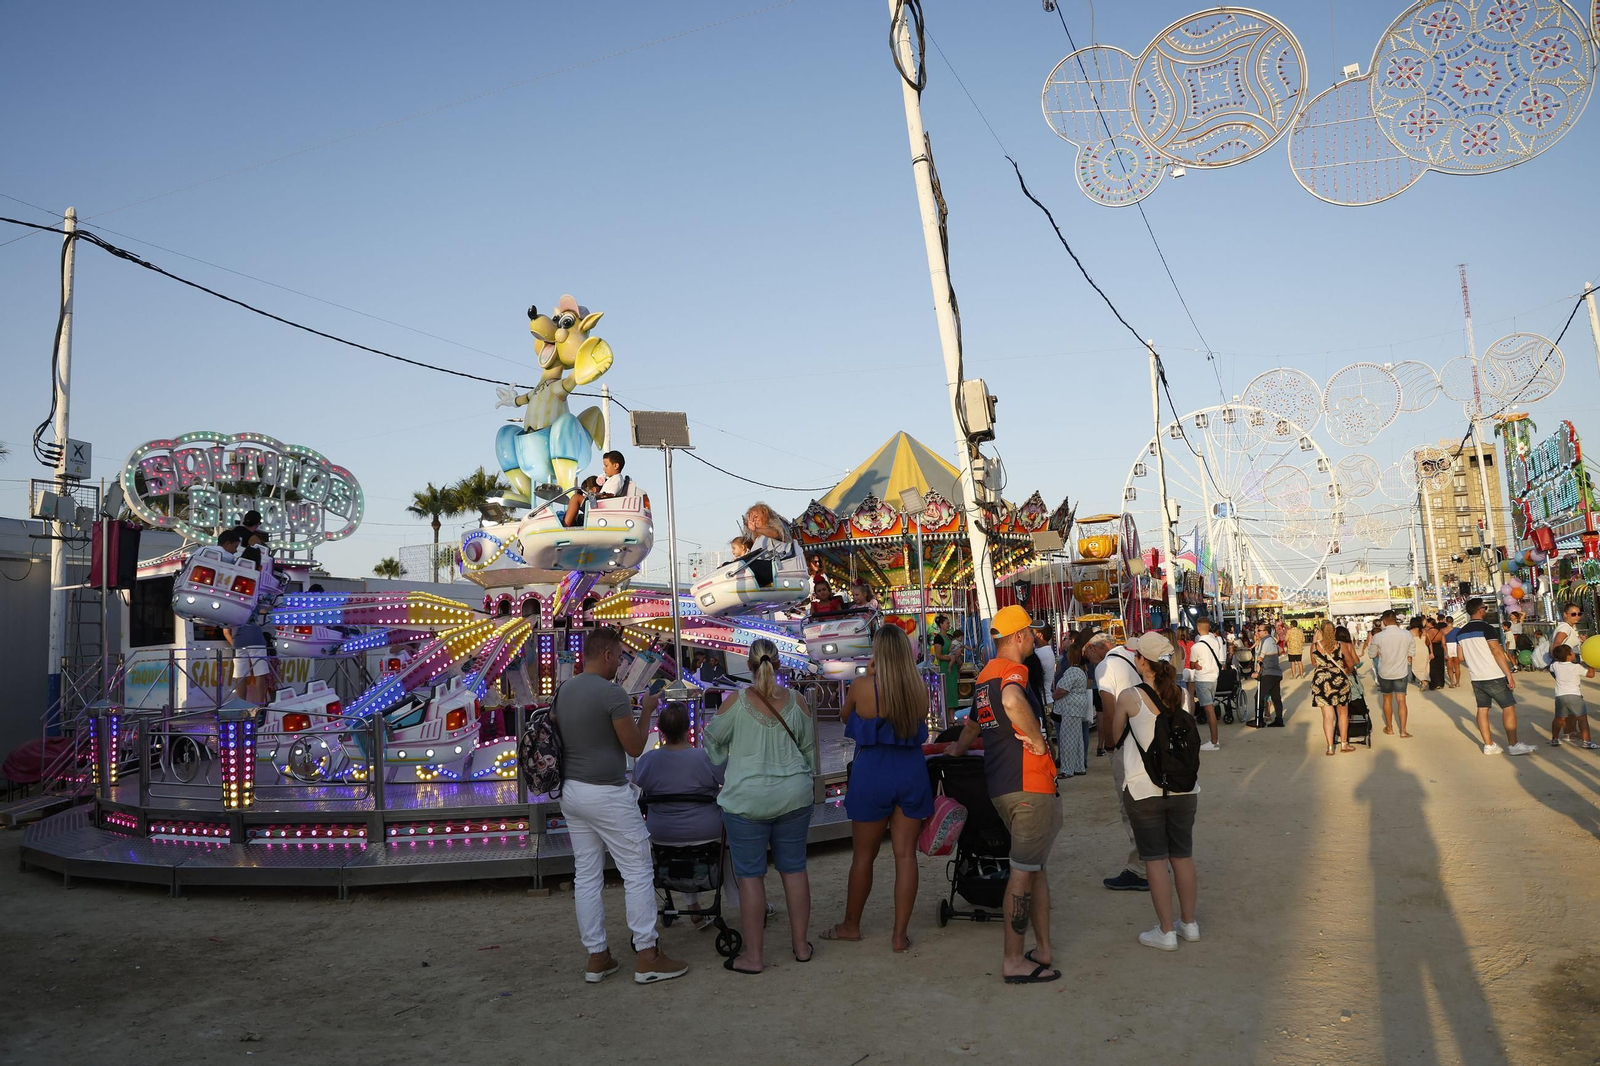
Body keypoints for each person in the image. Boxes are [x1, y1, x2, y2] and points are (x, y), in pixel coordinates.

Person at [552, 627, 687, 984]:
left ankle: (597, 956)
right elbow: (635, 746)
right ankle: (647, 954)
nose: (622, 662)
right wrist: (647, 710)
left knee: (587, 876)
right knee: (638, 871)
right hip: (607, 794)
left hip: (572, 792)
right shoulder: (612, 693)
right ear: (608, 654)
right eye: (621, 656)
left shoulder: (564, 690)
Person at [947, 605, 1061, 982]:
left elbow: (972, 728)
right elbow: (1013, 701)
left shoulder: (984, 678)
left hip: (1003, 786)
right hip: (1029, 784)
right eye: (1030, 632)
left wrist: (955, 752)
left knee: (1034, 869)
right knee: (1023, 872)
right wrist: (1037, 741)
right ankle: (1013, 960)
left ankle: (1042, 948)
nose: (1033, 638)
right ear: (1017, 637)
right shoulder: (1013, 672)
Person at [704, 637, 817, 973]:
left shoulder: (734, 702)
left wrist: (728, 757)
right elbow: (809, 753)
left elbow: (712, 739)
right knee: (794, 870)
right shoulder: (797, 701)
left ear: (749, 667)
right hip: (793, 796)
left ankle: (754, 957)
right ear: (779, 664)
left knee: (751, 878)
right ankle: (801, 947)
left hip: (745, 800)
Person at [822, 625, 933, 951]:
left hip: (872, 773)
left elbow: (845, 717)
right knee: (905, 856)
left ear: (878, 654)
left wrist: (871, 676)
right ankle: (899, 935)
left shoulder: (861, 685)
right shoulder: (917, 687)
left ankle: (851, 925)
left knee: (863, 857)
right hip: (911, 772)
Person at [1111, 631, 1201, 952]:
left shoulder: (1130, 697)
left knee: (1154, 860)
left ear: (1141, 661)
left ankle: (1165, 931)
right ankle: (1188, 924)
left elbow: (1114, 736)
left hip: (1144, 787)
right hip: (1184, 788)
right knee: (1182, 856)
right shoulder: (1183, 696)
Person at [633, 702, 728, 927]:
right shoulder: (706, 758)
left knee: (681, 853)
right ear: (689, 728)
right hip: (707, 832)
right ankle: (746, 902)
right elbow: (728, 781)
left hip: (662, 834)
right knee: (732, 850)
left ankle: (693, 907)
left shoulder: (647, 762)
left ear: (661, 730)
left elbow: (636, 790)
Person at [1089, 632, 1149, 891]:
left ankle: (1140, 868)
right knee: (1145, 802)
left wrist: (1112, 744)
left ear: (1099, 647)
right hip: (1144, 739)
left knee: (1130, 805)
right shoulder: (1130, 658)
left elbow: (1108, 707)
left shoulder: (1105, 666)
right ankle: (1153, 858)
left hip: (1126, 744)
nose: (1089, 660)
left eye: (1088, 653)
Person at [1456, 598, 1536, 756]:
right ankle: (1513, 745)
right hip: (1494, 674)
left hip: (1476, 677)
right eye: (1484, 608)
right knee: (1508, 707)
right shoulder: (1487, 628)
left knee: (1482, 709)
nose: (1485, 610)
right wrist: (1509, 674)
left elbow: (1460, 657)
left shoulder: (1461, 632)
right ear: (1480, 610)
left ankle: (1488, 745)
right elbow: (1497, 651)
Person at [1366, 610, 1414, 738]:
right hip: (1401, 671)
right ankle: (1403, 731)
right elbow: (1411, 652)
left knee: (1387, 699)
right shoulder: (1406, 634)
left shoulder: (1378, 636)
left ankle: (1390, 727)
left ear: (1384, 621)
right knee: (1401, 700)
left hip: (1385, 672)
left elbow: (1371, 654)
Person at [1311, 621, 1356, 755]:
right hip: (1339, 679)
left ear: (1321, 632)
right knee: (1342, 714)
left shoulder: (1314, 646)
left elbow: (1314, 663)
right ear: (1335, 631)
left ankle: (1330, 747)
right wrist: (1348, 670)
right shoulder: (1340, 645)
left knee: (1327, 716)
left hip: (1321, 680)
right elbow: (1350, 662)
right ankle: (1344, 743)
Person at [1051, 640, 1093, 776]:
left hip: (1070, 708)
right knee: (1077, 738)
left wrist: (1054, 695)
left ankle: (1067, 769)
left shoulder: (1072, 671)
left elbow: (1062, 690)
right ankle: (1079, 766)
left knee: (1067, 738)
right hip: (1078, 706)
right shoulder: (1082, 670)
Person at [1548, 644, 1599, 748]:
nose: (1574, 654)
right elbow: (1590, 675)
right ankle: (1587, 742)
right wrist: (1591, 663)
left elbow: (1551, 667)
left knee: (1559, 718)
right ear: (1568, 656)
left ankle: (1555, 739)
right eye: (1572, 652)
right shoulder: (1576, 667)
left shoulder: (1555, 666)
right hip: (1575, 695)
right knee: (1582, 719)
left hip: (1560, 696)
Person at [1187, 616, 1225, 751]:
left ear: (1198, 628)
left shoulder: (1196, 646)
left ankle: (1214, 741)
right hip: (1213, 678)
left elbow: (1191, 664)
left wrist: (1195, 664)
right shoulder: (1215, 641)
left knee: (1209, 711)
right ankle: (1214, 740)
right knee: (1210, 709)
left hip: (1202, 678)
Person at [1250, 622, 1284, 728]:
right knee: (1275, 697)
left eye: (1259, 630)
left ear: (1265, 632)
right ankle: (1279, 720)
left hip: (1268, 673)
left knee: (1259, 696)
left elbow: (1261, 659)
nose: (1257, 632)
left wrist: (1257, 672)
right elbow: (1279, 650)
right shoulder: (1271, 640)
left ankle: (1259, 720)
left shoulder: (1266, 641)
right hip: (1275, 673)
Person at [929, 614, 963, 713]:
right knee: (947, 691)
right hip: (945, 667)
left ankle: (952, 717)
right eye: (947, 623)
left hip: (953, 667)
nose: (949, 625)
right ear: (941, 624)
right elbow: (938, 655)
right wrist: (950, 658)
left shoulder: (950, 636)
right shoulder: (938, 638)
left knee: (953, 691)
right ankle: (948, 718)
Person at [1428, 617, 1448, 690]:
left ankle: (1433, 684)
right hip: (1440, 649)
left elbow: (1429, 642)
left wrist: (1431, 652)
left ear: (1430, 623)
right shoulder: (1440, 632)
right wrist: (1446, 653)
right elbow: (1444, 643)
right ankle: (1441, 683)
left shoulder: (1429, 632)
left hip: (1432, 648)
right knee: (1440, 666)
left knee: (1433, 667)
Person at [1410, 618, 1430, 687]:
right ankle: (1425, 679)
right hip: (1424, 649)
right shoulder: (1424, 631)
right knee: (1425, 666)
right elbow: (1428, 642)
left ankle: (1423, 681)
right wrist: (1432, 652)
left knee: (1415, 667)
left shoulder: (1410, 631)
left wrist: (1408, 654)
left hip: (1416, 650)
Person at [1441, 617, 1460, 687]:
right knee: (1457, 666)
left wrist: (1445, 652)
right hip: (1456, 646)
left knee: (1449, 667)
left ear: (1446, 621)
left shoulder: (1442, 630)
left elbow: (1443, 642)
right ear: (1453, 621)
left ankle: (1452, 682)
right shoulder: (1458, 630)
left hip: (1447, 646)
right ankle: (1458, 682)